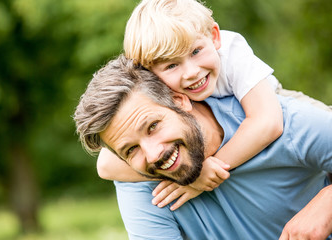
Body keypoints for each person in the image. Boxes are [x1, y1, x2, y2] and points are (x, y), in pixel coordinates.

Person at [74, 55, 332, 240]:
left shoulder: (277, 121)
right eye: (130, 150)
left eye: (153, 126)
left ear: (179, 101)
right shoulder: (141, 186)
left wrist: (326, 203)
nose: (153, 154)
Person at [97, 0, 332, 197]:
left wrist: (208, 170)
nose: (191, 72)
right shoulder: (153, 86)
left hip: (276, 101)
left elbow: (268, 122)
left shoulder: (232, 52)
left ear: (214, 36)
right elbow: (106, 166)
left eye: (196, 51)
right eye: (171, 65)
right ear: (149, 71)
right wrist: (186, 175)